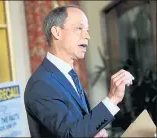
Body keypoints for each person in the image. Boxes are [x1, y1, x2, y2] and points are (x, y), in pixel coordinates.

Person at [24, 5, 134, 137]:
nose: (87, 36)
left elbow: (77, 126)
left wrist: (94, 132)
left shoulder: (67, 74)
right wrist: (112, 99)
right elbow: (71, 135)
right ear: (57, 32)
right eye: (79, 28)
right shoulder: (41, 84)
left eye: (87, 30)